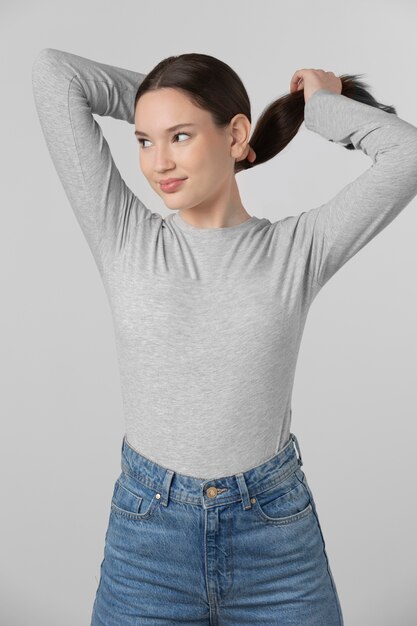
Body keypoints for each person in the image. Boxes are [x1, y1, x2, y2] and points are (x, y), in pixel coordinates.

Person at [32, 48, 417, 625]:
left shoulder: (296, 250)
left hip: (276, 543)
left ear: (236, 135)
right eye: (144, 140)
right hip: (147, 546)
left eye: (180, 137)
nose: (158, 161)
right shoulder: (124, 236)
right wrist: (173, 103)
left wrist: (321, 104)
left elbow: (407, 156)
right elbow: (51, 74)